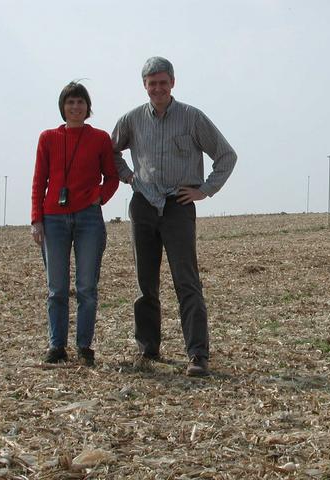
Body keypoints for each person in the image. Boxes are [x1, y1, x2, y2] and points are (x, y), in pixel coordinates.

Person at [112, 56, 237, 376]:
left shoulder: (192, 118)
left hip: (178, 205)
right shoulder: (131, 120)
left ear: (172, 83)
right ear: (144, 86)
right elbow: (110, 151)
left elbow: (226, 155)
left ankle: (197, 354)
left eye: (163, 82)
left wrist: (205, 190)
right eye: (151, 83)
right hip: (143, 204)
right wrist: (127, 176)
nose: (157, 88)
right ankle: (148, 349)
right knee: (145, 283)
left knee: (186, 281)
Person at [31, 81, 119, 366]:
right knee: (56, 288)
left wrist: (99, 198)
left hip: (88, 219)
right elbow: (39, 181)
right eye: (70, 102)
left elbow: (112, 176)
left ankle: (84, 347)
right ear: (63, 107)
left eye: (80, 102)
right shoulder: (47, 138)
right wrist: (36, 220)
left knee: (86, 288)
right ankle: (57, 346)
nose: (75, 107)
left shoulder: (100, 138)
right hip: (53, 219)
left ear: (87, 107)